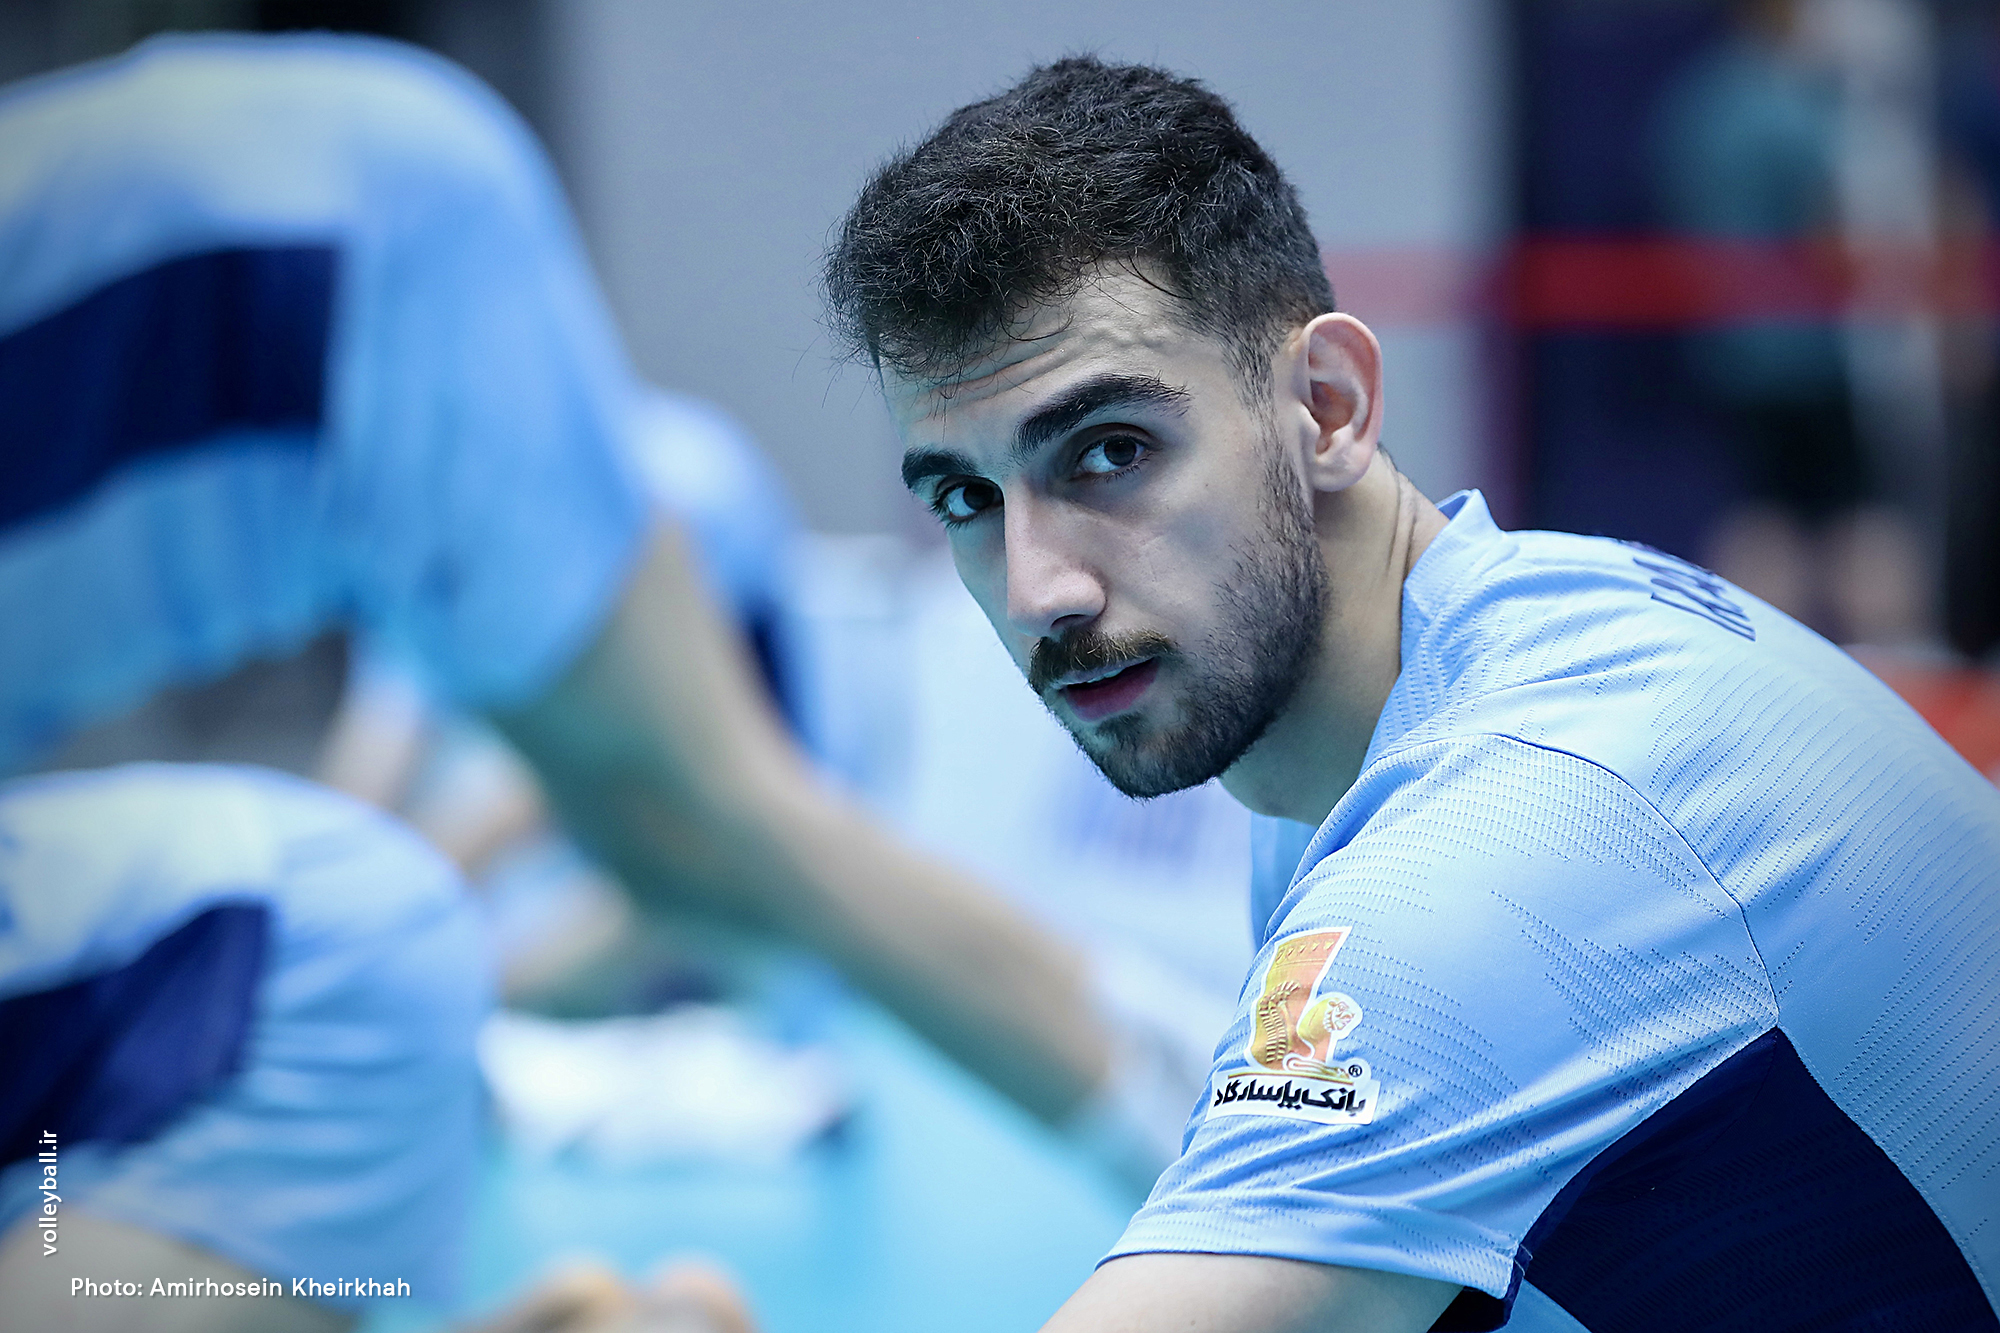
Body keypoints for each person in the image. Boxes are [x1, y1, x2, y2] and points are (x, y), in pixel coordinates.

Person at [821, 56, 2000, 1332]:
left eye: (1109, 451)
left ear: (1327, 408)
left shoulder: (1503, 839)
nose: (1038, 588)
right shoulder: (1453, 669)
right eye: (966, 498)